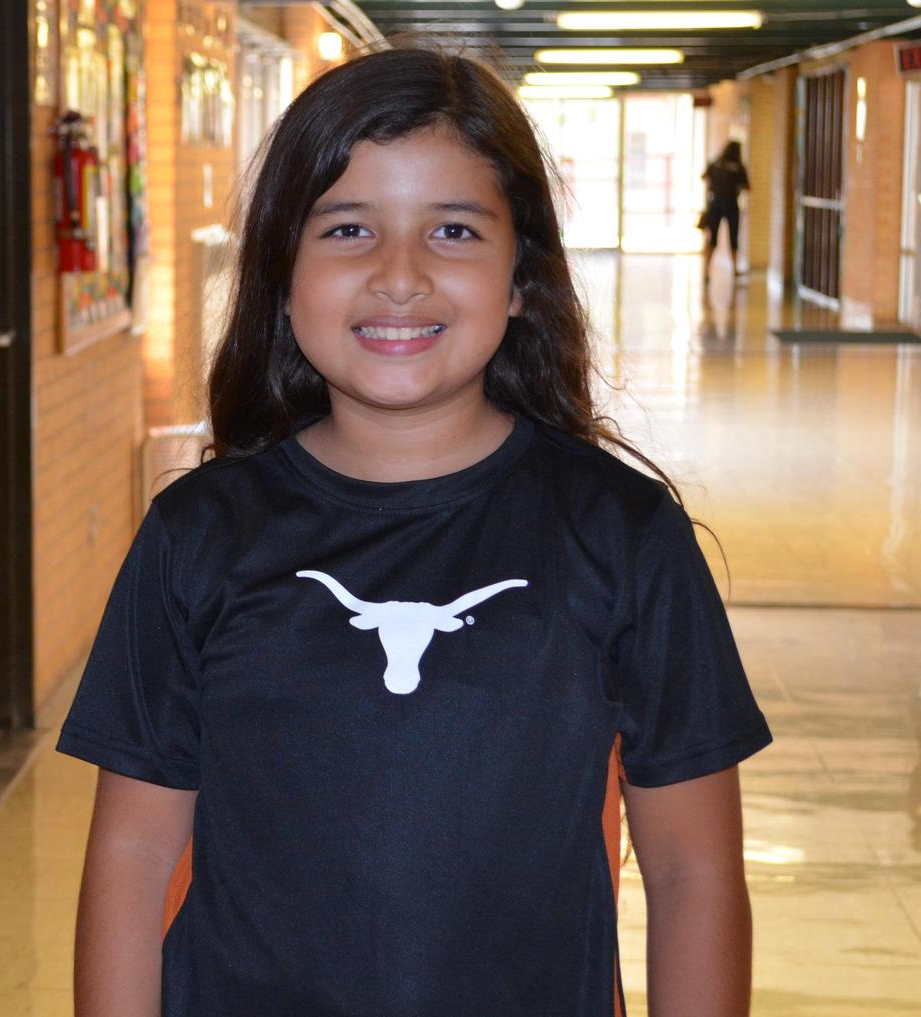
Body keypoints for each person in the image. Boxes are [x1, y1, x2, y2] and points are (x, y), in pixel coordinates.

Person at [58, 46, 772, 1017]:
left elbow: (692, 876)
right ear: (281, 272)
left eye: (452, 231)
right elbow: (134, 857)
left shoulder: (620, 534)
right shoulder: (200, 536)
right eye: (349, 229)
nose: (399, 277)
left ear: (520, 277)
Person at [701, 140, 750, 284]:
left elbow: (704, 178)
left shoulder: (715, 164)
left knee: (712, 238)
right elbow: (747, 187)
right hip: (731, 204)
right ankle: (734, 270)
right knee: (733, 238)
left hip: (714, 203)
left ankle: (706, 271)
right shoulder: (739, 168)